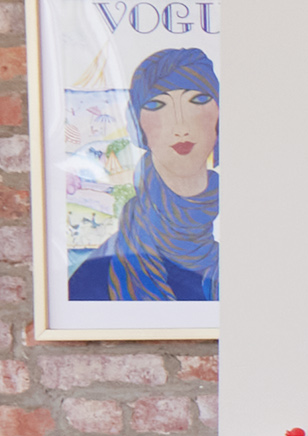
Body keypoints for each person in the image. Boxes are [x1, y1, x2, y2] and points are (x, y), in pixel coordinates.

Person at [70, 46, 221, 303]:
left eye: (198, 100)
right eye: (156, 104)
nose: (181, 126)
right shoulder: (97, 275)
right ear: (137, 124)